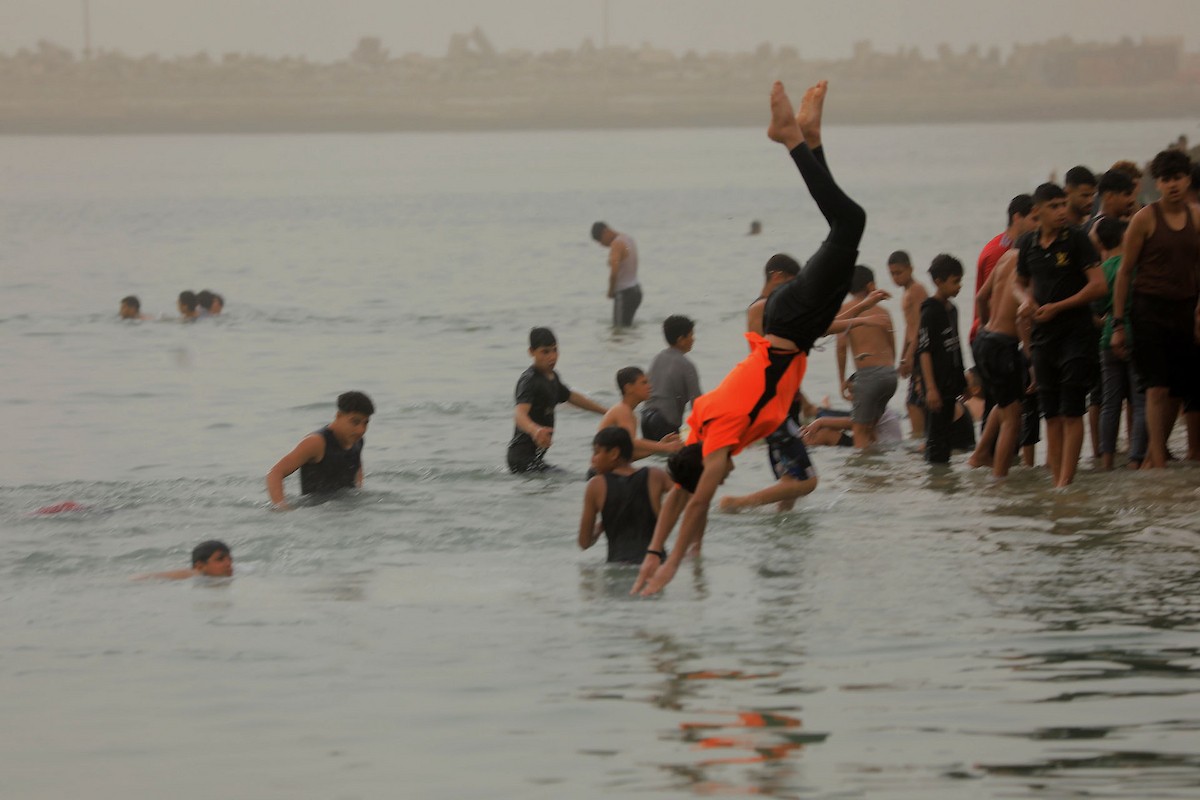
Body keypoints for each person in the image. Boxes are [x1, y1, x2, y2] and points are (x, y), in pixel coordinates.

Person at [632, 79, 867, 596]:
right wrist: (656, 553)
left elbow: (694, 500)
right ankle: (810, 138)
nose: (721, 471)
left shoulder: (718, 442)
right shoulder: (698, 424)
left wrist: (667, 570)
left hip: (787, 325)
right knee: (843, 233)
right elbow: (679, 495)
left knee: (850, 222)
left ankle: (792, 139)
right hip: (794, 331)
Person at [1110, 149, 1200, 467]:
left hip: (1186, 310)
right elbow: (1125, 272)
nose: (1172, 185)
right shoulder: (1145, 219)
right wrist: (1119, 323)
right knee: (1157, 388)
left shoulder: (1197, 217)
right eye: (1165, 179)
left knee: (1179, 389)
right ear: (1157, 184)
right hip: (1149, 310)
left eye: (1177, 178)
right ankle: (1158, 464)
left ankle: (1153, 453)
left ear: (1187, 179)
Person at [1014, 182, 1106, 487]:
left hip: (1076, 334)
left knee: (1072, 410)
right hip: (1043, 336)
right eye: (1053, 206)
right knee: (1050, 413)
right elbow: (1018, 283)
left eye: (1063, 205)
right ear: (1037, 211)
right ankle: (1057, 481)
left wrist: (1058, 306)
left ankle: (1065, 482)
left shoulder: (1077, 240)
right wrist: (1026, 300)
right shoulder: (1028, 244)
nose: (1061, 212)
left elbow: (1098, 285)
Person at [507, 327, 607, 473]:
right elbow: (519, 414)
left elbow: (571, 397)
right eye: (545, 352)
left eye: (555, 350)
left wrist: (606, 411)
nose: (552, 357)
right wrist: (535, 430)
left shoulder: (552, 377)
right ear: (531, 352)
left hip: (535, 457)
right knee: (567, 478)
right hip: (520, 458)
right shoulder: (529, 380)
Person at [968, 248, 1028, 478]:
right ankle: (999, 480)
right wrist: (1030, 356)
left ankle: (980, 454)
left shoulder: (1007, 256)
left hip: (984, 340)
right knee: (1012, 419)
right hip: (1003, 344)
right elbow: (1023, 316)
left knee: (1004, 403)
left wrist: (986, 327)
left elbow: (981, 297)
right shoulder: (1026, 261)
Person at [1093, 216, 1147, 470]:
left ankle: (1106, 460)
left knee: (1110, 403)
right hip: (1134, 336)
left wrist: (1107, 324)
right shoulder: (1132, 268)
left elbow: (1093, 311)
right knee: (1139, 402)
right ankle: (1136, 459)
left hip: (1107, 341)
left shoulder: (1101, 272)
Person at [578, 427, 673, 564]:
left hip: (618, 567)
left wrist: (599, 528)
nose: (592, 460)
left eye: (597, 452)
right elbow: (686, 493)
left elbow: (584, 542)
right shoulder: (655, 475)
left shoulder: (596, 486)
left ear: (614, 453)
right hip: (656, 562)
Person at [266, 391, 374, 508]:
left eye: (365, 423)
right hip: (316, 513)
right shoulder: (316, 442)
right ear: (339, 416)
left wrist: (359, 491)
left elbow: (357, 468)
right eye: (355, 422)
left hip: (348, 509)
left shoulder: (357, 440)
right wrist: (281, 507)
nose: (361, 430)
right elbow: (275, 473)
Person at [836, 265, 897, 448]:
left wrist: (842, 381)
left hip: (869, 377)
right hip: (889, 376)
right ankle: (879, 472)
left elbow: (841, 347)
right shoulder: (884, 312)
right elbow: (892, 346)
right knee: (871, 429)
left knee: (859, 433)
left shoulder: (845, 310)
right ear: (871, 286)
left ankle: (865, 474)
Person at [917, 255, 970, 464]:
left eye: (960, 280)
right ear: (939, 282)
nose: (959, 286)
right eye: (955, 281)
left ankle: (944, 481)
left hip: (951, 386)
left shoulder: (953, 310)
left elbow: (956, 345)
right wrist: (930, 388)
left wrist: (963, 381)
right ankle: (935, 477)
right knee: (935, 438)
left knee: (946, 438)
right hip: (936, 387)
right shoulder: (930, 312)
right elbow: (924, 351)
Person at [971, 194, 1036, 343]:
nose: (1039, 225)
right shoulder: (1000, 253)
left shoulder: (1010, 246)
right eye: (1034, 219)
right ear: (1017, 218)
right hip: (991, 335)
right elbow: (992, 301)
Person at [596, 367, 682, 459]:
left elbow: (627, 457)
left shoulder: (629, 413)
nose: (649, 386)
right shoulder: (623, 411)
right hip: (601, 470)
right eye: (644, 383)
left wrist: (659, 446)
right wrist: (666, 447)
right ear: (628, 388)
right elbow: (630, 441)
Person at [641, 315, 702, 442]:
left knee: (654, 456)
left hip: (646, 416)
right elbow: (697, 403)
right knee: (673, 459)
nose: (693, 339)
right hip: (664, 421)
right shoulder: (687, 365)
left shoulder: (657, 358)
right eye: (691, 335)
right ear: (681, 340)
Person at [888, 250, 928, 438]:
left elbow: (921, 325)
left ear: (910, 269)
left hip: (922, 349)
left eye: (899, 272)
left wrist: (912, 354)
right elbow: (909, 327)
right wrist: (903, 357)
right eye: (893, 274)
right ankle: (919, 436)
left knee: (914, 402)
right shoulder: (906, 292)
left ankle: (919, 437)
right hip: (914, 350)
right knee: (915, 400)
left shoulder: (917, 289)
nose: (896, 277)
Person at [591, 222, 641, 326]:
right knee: (627, 328)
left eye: (600, 240)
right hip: (636, 291)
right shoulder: (628, 238)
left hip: (624, 293)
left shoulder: (616, 244)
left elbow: (614, 273)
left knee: (618, 331)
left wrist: (610, 292)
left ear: (605, 232)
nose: (601, 244)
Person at [135, 540, 233, 581]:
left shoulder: (238, 570)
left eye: (230, 559)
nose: (228, 564)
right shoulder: (195, 574)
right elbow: (140, 578)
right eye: (220, 559)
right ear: (200, 566)